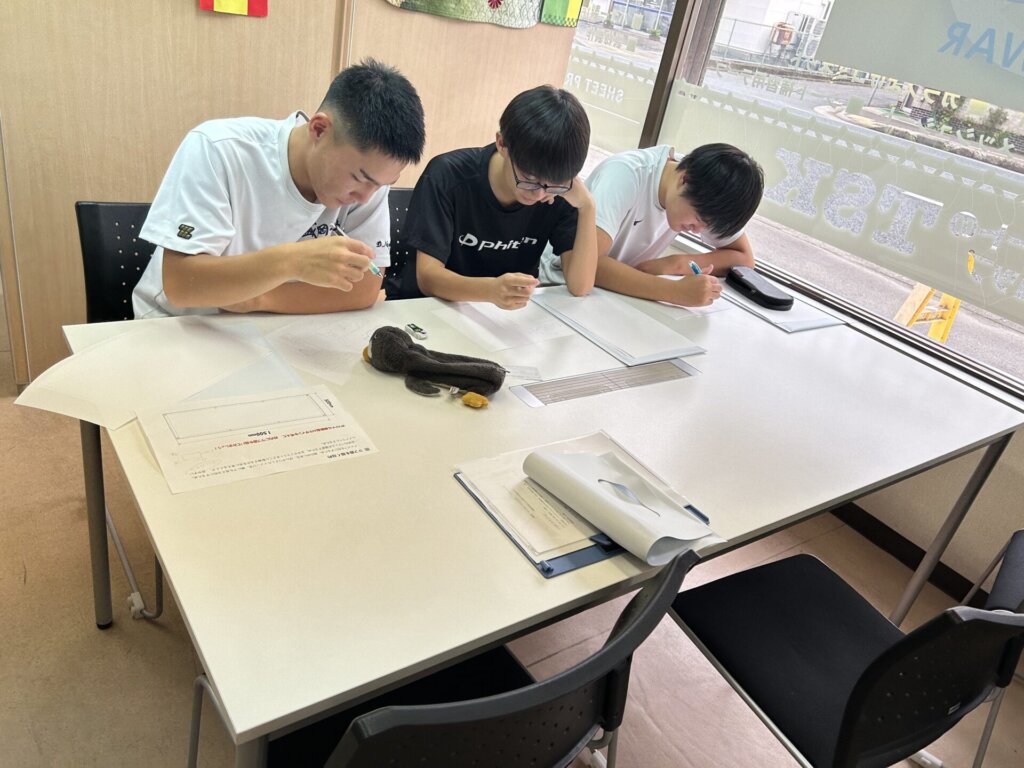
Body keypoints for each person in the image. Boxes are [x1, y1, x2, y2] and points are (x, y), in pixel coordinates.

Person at [132, 59, 425, 318]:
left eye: (382, 185)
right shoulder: (219, 149)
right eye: (359, 178)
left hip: (266, 325)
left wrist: (257, 298)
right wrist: (293, 262)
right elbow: (182, 286)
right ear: (319, 129)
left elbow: (363, 289)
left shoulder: (370, 183)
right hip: (177, 325)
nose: (365, 197)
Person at [388, 85, 597, 309]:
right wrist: (490, 290)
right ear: (502, 144)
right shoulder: (448, 175)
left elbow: (580, 286)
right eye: (529, 178)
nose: (539, 194)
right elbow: (428, 279)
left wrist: (587, 207)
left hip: (503, 319)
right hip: (427, 309)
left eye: (553, 184)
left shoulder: (557, 189)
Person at [539, 143, 764, 307]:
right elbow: (589, 267)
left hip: (612, 297)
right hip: (556, 289)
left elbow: (743, 257)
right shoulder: (625, 176)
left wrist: (674, 264)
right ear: (684, 180)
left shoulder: (706, 191)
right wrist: (675, 291)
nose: (698, 231)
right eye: (697, 220)